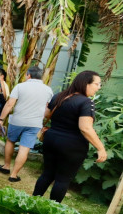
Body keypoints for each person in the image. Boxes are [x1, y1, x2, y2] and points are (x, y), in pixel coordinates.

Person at [32, 71, 107, 203]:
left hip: (51, 139)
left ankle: (32, 203)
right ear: (86, 84)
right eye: (97, 84)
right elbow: (85, 128)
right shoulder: (86, 102)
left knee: (47, 174)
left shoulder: (59, 96)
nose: (98, 87)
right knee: (62, 179)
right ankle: (52, 211)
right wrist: (100, 148)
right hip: (72, 145)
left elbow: (46, 113)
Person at [0, 66, 53, 182]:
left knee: (10, 141)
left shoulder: (20, 86)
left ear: (29, 75)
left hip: (17, 120)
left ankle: (6, 166)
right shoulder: (48, 90)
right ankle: (14, 175)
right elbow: (48, 110)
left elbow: (9, 104)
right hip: (35, 123)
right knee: (24, 148)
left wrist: (1, 119)